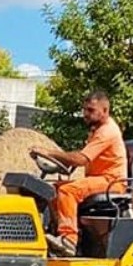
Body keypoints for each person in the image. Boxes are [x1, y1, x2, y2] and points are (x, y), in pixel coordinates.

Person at [30, 91, 127, 257]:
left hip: (112, 182)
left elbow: (81, 159)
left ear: (105, 110)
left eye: (90, 110)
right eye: (84, 110)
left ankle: (69, 240)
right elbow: (76, 160)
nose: (85, 114)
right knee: (54, 189)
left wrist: (49, 153)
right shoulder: (96, 131)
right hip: (99, 180)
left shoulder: (107, 132)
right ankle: (58, 233)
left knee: (69, 191)